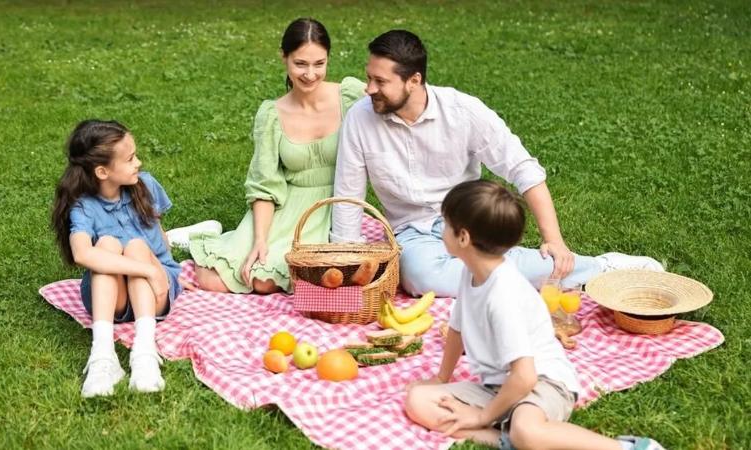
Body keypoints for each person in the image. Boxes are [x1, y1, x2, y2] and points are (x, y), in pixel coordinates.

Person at [331, 30, 662, 297]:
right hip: (410, 231)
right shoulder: (360, 118)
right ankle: (532, 270)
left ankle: (601, 268)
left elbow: (523, 169)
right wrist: (344, 264)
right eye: (369, 78)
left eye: (380, 82)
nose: (370, 88)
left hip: (468, 219)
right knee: (419, 279)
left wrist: (555, 240)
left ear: (414, 80)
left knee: (463, 268)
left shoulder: (464, 111)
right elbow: (348, 195)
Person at [404, 180, 665, 450]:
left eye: (446, 225)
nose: (441, 231)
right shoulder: (471, 272)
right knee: (418, 400)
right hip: (498, 387)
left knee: (526, 431)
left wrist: (482, 415)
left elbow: (525, 377)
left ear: (463, 237)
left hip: (543, 383)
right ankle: (508, 440)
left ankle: (628, 447)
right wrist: (441, 379)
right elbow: (457, 329)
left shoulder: (503, 294)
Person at [186, 18, 366, 294]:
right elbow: (265, 183)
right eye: (300, 64)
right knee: (221, 278)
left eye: (319, 63)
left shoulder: (350, 96)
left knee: (312, 279)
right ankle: (207, 235)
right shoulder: (272, 114)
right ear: (284, 58)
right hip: (288, 204)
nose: (310, 74)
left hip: (337, 204)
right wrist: (260, 239)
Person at [51, 120, 181, 398]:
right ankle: (103, 357)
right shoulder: (84, 206)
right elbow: (82, 254)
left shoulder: (145, 185)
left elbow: (159, 232)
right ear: (102, 171)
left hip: (155, 289)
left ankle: (144, 353)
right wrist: (146, 269)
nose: (139, 162)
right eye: (130, 158)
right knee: (107, 244)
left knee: (135, 245)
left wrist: (160, 268)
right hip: (113, 296)